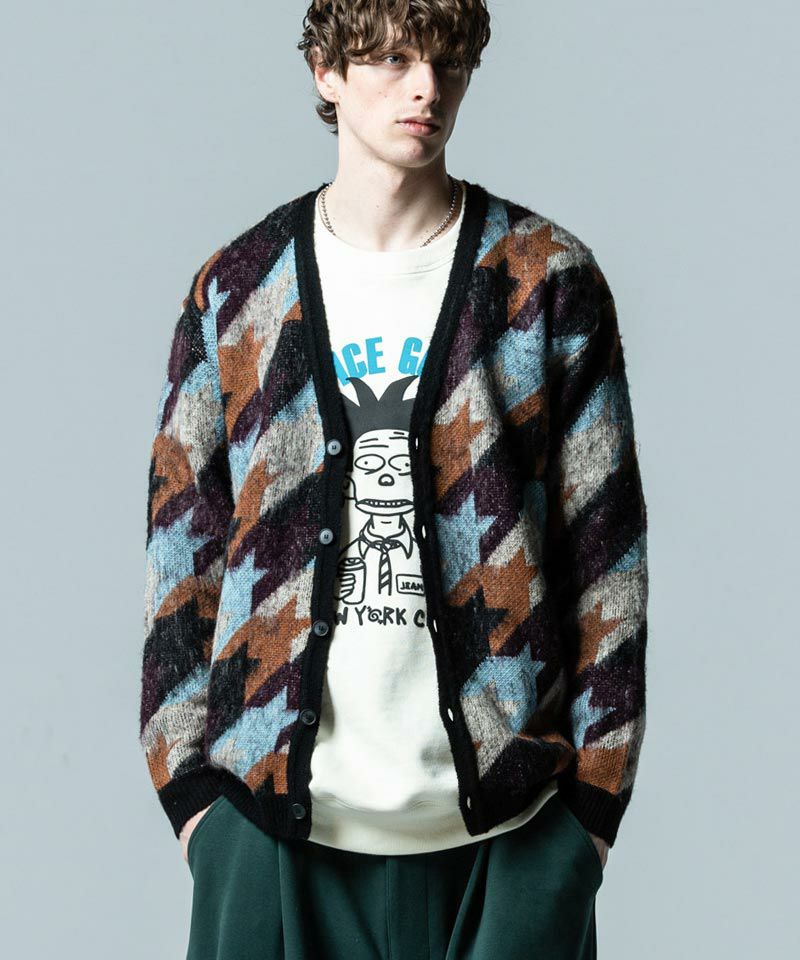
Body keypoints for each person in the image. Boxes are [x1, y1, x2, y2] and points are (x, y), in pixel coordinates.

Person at [139, 2, 649, 957]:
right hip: (268, 834)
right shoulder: (239, 290)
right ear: (326, 72)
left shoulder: (543, 281)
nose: (426, 88)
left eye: (447, 62)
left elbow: (606, 559)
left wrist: (587, 819)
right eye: (394, 59)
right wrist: (196, 803)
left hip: (510, 837)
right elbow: (183, 551)